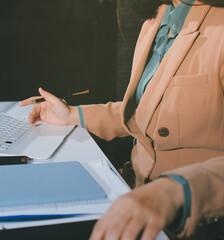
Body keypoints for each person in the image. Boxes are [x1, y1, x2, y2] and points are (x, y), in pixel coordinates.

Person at [19, 0, 224, 239]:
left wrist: (173, 192)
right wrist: (73, 114)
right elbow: (147, 112)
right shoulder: (157, 18)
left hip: (189, 221)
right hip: (128, 193)